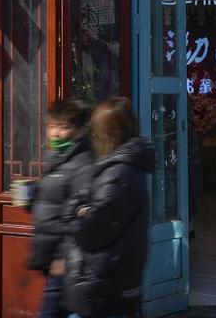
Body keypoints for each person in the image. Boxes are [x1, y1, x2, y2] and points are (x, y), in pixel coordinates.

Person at [63, 97, 154, 318]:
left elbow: (93, 229)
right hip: (108, 278)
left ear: (107, 132)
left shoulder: (119, 173)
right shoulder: (119, 167)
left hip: (103, 282)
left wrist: (78, 215)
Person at [29, 100, 95, 318]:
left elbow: (81, 217)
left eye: (63, 127)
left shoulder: (84, 164)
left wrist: (63, 258)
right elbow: (55, 202)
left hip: (66, 265)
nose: (55, 133)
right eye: (51, 126)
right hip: (54, 262)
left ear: (79, 130)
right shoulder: (59, 159)